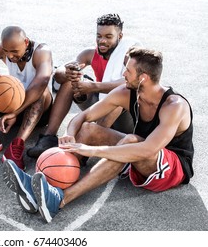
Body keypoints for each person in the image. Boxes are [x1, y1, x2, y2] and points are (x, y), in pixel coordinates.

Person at [3, 47, 194, 222]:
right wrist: (70, 134)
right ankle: (38, 186)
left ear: (143, 77)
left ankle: (60, 199)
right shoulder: (127, 92)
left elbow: (147, 149)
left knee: (130, 141)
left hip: (171, 167)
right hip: (139, 149)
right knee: (88, 129)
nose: (123, 74)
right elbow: (85, 116)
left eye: (128, 70)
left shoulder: (174, 106)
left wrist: (91, 150)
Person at [27, 14, 141, 159]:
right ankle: (49, 137)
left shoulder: (128, 56)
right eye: (99, 36)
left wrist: (93, 86)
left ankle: (88, 143)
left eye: (108, 36)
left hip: (125, 118)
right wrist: (69, 72)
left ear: (120, 36)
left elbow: (130, 84)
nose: (102, 41)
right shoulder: (90, 54)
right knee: (70, 80)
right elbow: (59, 74)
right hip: (102, 105)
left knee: (120, 94)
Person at [0, 26, 53, 169]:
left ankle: (17, 145)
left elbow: (42, 81)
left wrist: (15, 112)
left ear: (26, 42)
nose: (10, 56)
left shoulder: (41, 52)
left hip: (38, 112)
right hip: (12, 107)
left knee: (41, 91)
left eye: (14, 51)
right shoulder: (0, 49)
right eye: (6, 51)